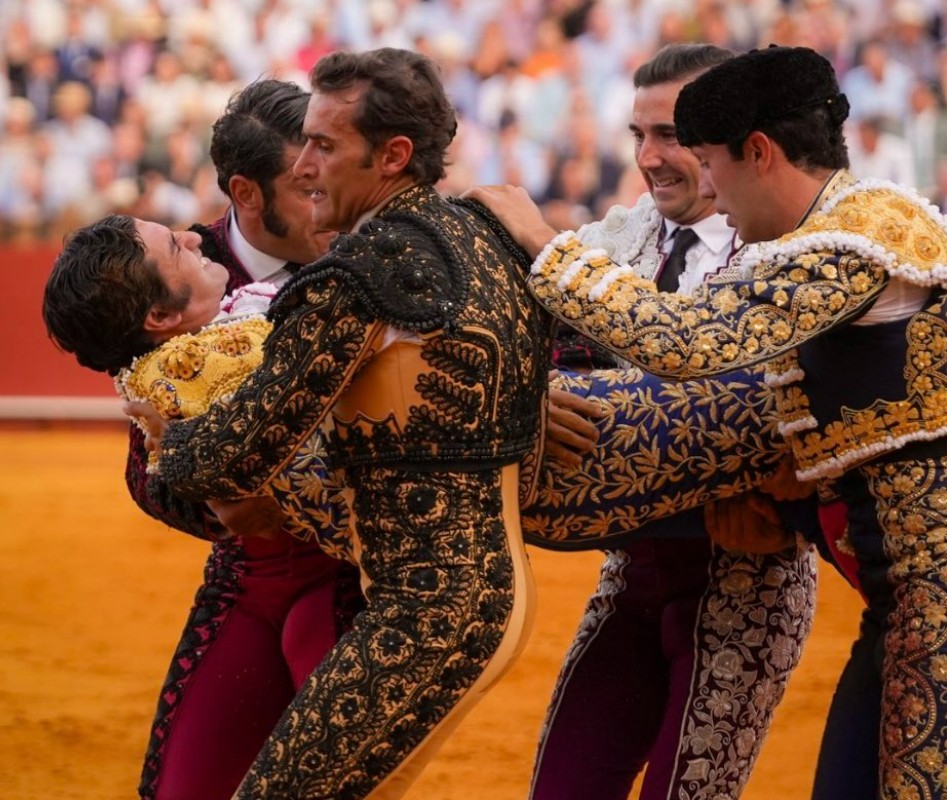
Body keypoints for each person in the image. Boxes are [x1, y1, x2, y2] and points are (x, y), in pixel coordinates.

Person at [469, 44, 947, 800]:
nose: (706, 186)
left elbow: (685, 345)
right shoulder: (832, 234)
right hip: (910, 599)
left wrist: (540, 240)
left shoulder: (857, 239)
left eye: (709, 161)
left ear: (758, 153)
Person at [147, 48, 553, 800]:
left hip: (416, 609)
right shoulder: (478, 231)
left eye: (324, 146)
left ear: (392, 156)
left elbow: (232, 459)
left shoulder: (356, 275)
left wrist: (167, 435)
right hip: (486, 592)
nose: (305, 166)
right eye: (304, 143)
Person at [42, 80, 364, 800]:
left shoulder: (369, 235)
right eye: (306, 184)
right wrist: (217, 504)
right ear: (248, 194)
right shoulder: (175, 273)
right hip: (249, 572)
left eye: (332, 173)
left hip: (359, 566)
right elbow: (146, 466)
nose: (329, 200)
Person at [525, 44, 818, 800]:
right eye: (640, 135)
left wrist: (790, 481)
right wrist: (531, 392)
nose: (651, 158)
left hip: (747, 580)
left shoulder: (795, 251)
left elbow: (846, 404)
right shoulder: (618, 241)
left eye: (675, 136)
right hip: (631, 573)